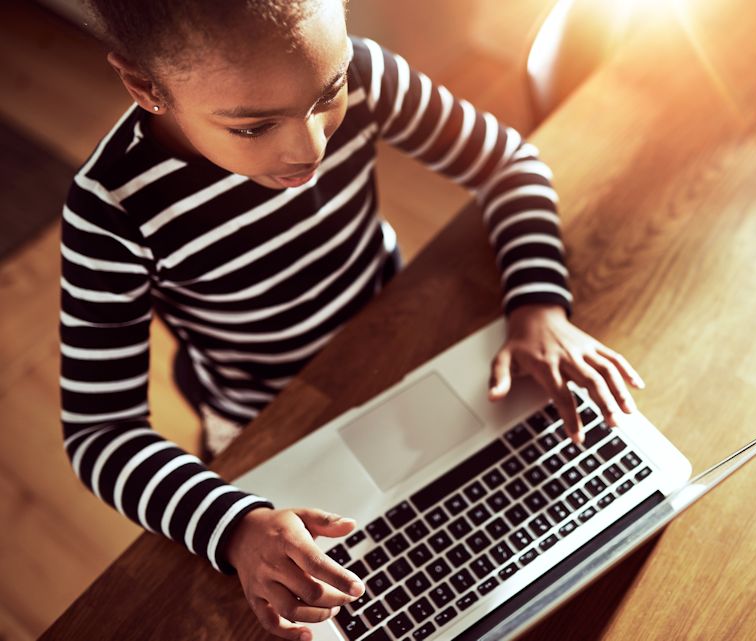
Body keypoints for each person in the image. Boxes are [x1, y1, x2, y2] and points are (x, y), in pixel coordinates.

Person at [61, 0, 645, 638]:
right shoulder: (111, 211)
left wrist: (538, 303)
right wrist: (233, 526)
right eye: (253, 128)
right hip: (264, 413)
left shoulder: (363, 71)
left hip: (397, 336)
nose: (309, 147)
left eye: (327, 93)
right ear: (146, 86)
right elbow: (100, 430)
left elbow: (509, 164)